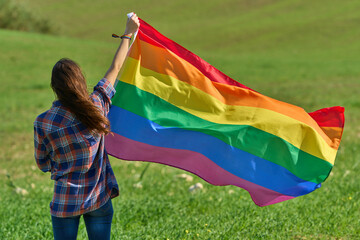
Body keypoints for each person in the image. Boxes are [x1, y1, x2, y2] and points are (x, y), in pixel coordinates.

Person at [33, 14, 140, 240]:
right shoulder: (97, 106)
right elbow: (116, 67)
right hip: (98, 197)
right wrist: (128, 32)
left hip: (64, 201)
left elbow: (42, 164)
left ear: (55, 87)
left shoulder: (43, 122)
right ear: (80, 82)